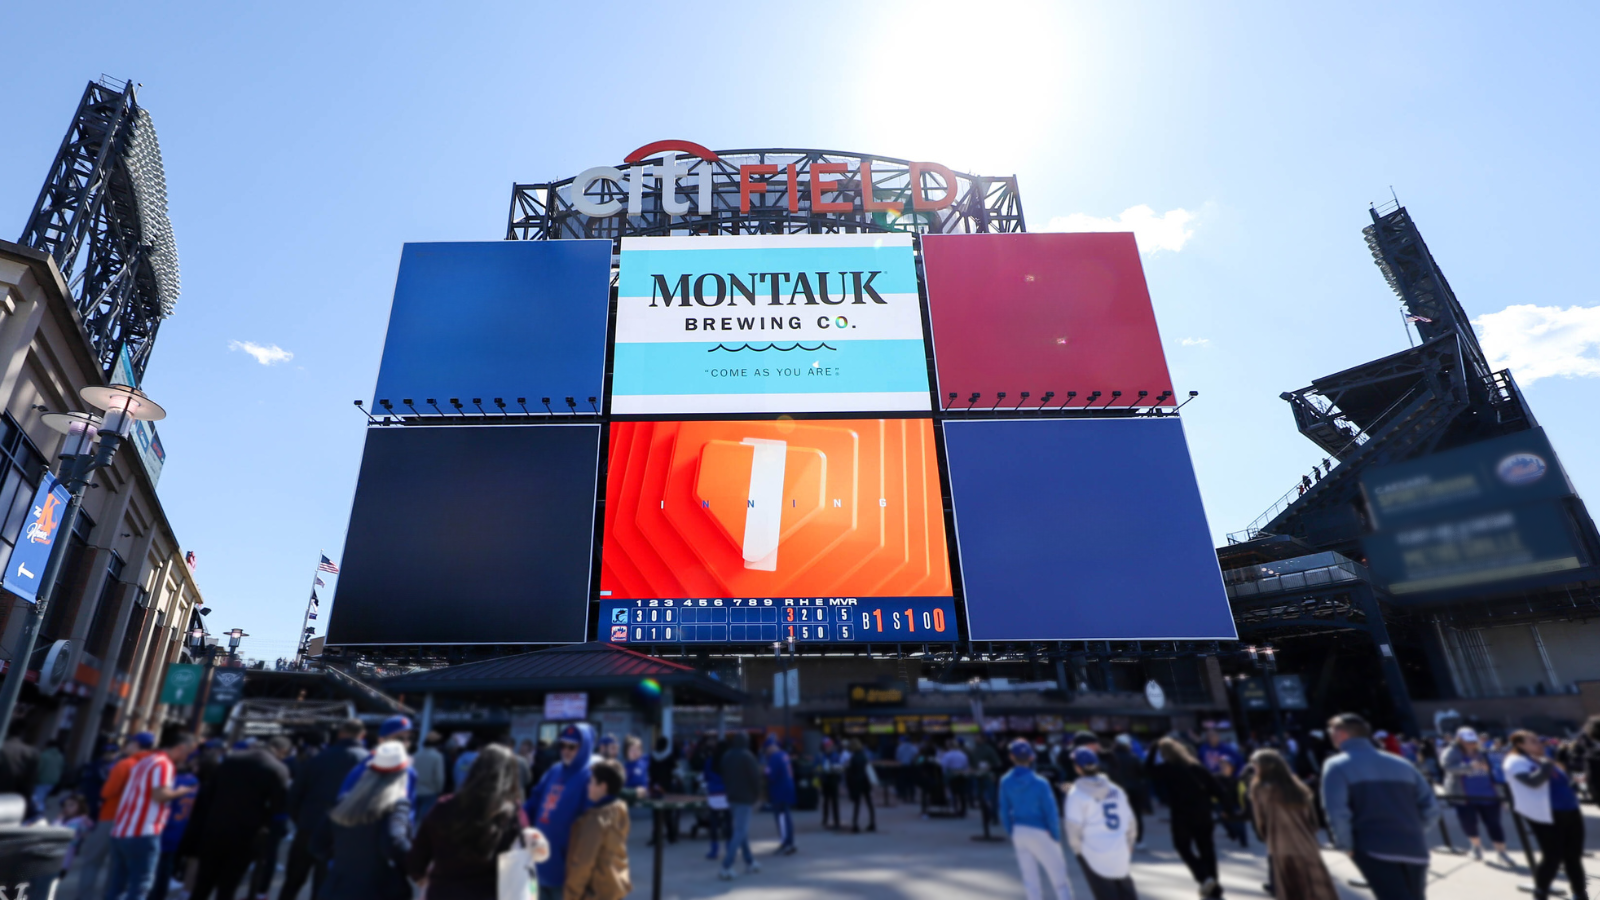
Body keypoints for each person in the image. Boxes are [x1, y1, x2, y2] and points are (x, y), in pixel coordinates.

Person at [1321, 713, 1439, 900]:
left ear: (1341, 734)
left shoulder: (1336, 765)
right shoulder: (1403, 764)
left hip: (1372, 847)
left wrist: (1346, 845)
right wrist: (1414, 829)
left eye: (1330, 731)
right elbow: (1431, 807)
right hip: (1413, 845)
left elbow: (1336, 812)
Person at [408, 744, 536, 899]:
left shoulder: (443, 806)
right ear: (511, 776)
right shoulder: (513, 814)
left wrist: (420, 877)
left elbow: (416, 859)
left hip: (443, 892)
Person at [184, 734, 293, 900]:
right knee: (229, 884)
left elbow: (210, 792)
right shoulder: (278, 769)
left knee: (204, 881)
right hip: (247, 833)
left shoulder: (231, 760)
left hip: (215, 827)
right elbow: (278, 807)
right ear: (283, 751)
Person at [282, 719, 370, 900]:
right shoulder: (367, 762)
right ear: (362, 736)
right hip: (342, 834)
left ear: (340, 734)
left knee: (292, 881)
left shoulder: (317, 759)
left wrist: (301, 821)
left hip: (308, 828)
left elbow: (294, 795)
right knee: (324, 886)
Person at [104, 731, 198, 900]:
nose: (186, 758)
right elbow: (160, 795)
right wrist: (180, 792)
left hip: (121, 830)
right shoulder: (164, 764)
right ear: (180, 748)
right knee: (141, 885)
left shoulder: (144, 761)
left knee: (117, 884)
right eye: (187, 753)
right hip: (143, 832)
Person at [316, 741, 413, 900]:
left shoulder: (344, 801)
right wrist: (418, 867)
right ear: (403, 774)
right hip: (379, 890)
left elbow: (317, 845)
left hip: (336, 889)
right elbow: (394, 842)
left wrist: (343, 861)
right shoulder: (397, 804)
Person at [1504, 730, 1588, 900]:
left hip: (1570, 810)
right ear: (1520, 745)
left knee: (1573, 855)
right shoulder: (1515, 762)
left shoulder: (1545, 759)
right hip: (1546, 815)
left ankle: (1579, 892)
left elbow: (1562, 782)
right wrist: (1547, 766)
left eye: (1539, 740)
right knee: (1553, 857)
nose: (1539, 744)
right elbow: (1533, 782)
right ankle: (1540, 892)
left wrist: (1574, 782)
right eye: (1533, 741)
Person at [1249, 748, 1336, 900]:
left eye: (1255, 766)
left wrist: (1265, 836)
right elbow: (1313, 821)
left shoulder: (1260, 788)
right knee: (1316, 886)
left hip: (1281, 844)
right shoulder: (1299, 787)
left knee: (1291, 888)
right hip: (1307, 843)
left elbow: (1260, 820)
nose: (1254, 770)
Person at [77, 733, 155, 896]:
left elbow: (107, 792)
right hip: (135, 821)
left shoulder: (125, 764)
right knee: (117, 868)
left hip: (111, 816)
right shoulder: (154, 766)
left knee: (92, 861)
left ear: (136, 745)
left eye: (129, 742)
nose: (126, 745)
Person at [1150, 736, 1226, 898]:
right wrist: (1226, 809)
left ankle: (1204, 876)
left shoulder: (1166, 768)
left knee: (1182, 847)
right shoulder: (1197, 767)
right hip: (1203, 813)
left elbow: (1147, 770)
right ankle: (1214, 888)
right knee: (1207, 849)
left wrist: (1153, 748)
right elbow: (1217, 789)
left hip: (1182, 815)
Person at [526, 724, 596, 899]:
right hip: (538, 862)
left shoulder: (589, 778)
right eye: (562, 745)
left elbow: (591, 824)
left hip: (566, 870)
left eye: (572, 747)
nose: (566, 751)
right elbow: (534, 799)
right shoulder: (554, 770)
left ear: (584, 747)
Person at [998, 739, 1073, 900]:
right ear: (1031, 757)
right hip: (1041, 830)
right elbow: (1051, 811)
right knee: (1059, 878)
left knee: (1030, 879)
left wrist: (1011, 830)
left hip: (1019, 830)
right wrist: (1055, 835)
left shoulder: (1005, 781)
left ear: (1011, 757)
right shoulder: (1041, 782)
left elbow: (1003, 809)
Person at [1065, 747, 1137, 900]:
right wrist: (1130, 843)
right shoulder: (1116, 789)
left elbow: (1073, 828)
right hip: (1119, 848)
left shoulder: (1076, 794)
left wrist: (1078, 850)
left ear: (1077, 768)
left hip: (1093, 851)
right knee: (1127, 893)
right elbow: (1131, 821)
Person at [1440, 726, 1514, 866]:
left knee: (1494, 824)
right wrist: (1469, 767)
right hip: (1464, 794)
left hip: (1488, 793)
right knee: (1469, 823)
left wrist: (1490, 769)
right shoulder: (1451, 752)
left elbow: (1497, 769)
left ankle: (1501, 852)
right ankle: (1476, 846)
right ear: (1459, 739)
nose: (1471, 743)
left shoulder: (1484, 752)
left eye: (1473, 740)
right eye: (1467, 740)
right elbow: (1447, 767)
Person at [564, 758, 632, 900]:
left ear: (603, 786)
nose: (588, 786)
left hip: (596, 893)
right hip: (615, 887)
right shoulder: (620, 809)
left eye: (592, 782)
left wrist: (571, 895)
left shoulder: (595, 820)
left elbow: (583, 863)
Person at [148, 749, 200, 900]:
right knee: (166, 870)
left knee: (154, 871)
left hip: (164, 828)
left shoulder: (174, 781)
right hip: (179, 830)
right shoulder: (194, 781)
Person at [338, 715, 417, 800]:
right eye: (399, 738)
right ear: (381, 740)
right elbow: (343, 801)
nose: (406, 743)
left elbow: (411, 807)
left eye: (410, 738)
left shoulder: (409, 771)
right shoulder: (366, 767)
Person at [718, 732, 761, 880]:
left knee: (741, 831)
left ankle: (750, 861)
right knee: (740, 831)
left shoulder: (727, 756)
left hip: (731, 797)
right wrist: (756, 796)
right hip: (745, 798)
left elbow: (723, 775)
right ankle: (726, 865)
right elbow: (755, 778)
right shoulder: (748, 756)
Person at [762, 737, 797, 854]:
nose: (766, 751)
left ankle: (786, 843)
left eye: (767, 749)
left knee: (782, 819)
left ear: (771, 747)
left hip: (779, 791)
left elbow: (771, 776)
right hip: (788, 788)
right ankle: (789, 842)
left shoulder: (774, 758)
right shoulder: (784, 755)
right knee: (786, 817)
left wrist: (765, 771)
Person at [702, 736, 729, 860]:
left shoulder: (710, 761)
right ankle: (729, 849)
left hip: (713, 795)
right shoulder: (729, 761)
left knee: (713, 823)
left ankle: (714, 850)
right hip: (727, 794)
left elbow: (706, 776)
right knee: (728, 823)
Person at [413, 730, 447, 821]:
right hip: (430, 792)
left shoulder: (415, 755)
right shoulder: (437, 756)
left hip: (415, 791)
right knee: (426, 820)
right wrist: (439, 790)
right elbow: (439, 777)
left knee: (413, 820)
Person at [844, 738, 876, 833]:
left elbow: (850, 772)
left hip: (857, 783)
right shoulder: (864, 756)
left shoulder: (853, 758)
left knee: (857, 804)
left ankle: (855, 824)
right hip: (865, 782)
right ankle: (872, 823)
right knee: (869, 803)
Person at [817, 738, 843, 830]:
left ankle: (837, 822)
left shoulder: (835, 755)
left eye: (830, 746)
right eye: (827, 746)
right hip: (825, 781)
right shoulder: (821, 756)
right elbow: (816, 767)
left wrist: (834, 768)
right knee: (826, 801)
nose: (828, 748)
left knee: (835, 802)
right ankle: (825, 819)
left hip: (833, 780)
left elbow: (840, 768)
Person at [34, 739, 63, 817]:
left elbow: (38, 768)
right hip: (53, 782)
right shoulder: (60, 756)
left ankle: (38, 816)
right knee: (42, 798)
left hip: (42, 780)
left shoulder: (44, 755)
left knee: (38, 799)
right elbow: (61, 769)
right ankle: (39, 814)